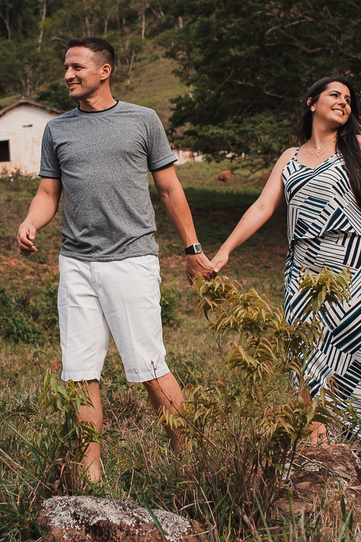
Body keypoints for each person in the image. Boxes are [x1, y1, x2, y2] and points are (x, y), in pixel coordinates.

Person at [17, 37, 214, 482]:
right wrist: (31, 222)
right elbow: (48, 193)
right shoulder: (57, 130)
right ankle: (91, 479)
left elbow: (170, 189)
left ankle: (192, 464)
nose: (68, 74)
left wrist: (192, 249)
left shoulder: (142, 120)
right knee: (79, 372)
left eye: (77, 67)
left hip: (131, 260)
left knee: (150, 367)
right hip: (76, 263)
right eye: (65, 67)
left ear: (104, 71)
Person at [209, 76, 361, 466]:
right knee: (308, 357)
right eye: (335, 95)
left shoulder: (359, 147)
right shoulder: (289, 157)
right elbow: (262, 207)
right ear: (312, 102)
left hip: (354, 265)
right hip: (303, 272)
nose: (344, 102)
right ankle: (321, 450)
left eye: (349, 99)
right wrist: (225, 250)